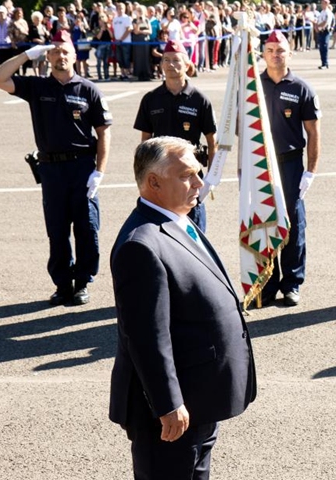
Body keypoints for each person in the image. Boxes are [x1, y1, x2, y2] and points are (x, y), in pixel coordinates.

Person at [109, 136, 257, 480]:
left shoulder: (179, 219)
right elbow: (147, 337)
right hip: (172, 414)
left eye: (199, 172)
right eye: (187, 175)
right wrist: (168, 404)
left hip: (199, 398)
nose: (200, 184)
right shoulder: (141, 245)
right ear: (154, 182)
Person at [0, 30, 111, 305]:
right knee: (57, 229)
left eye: (65, 51)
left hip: (83, 167)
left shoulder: (88, 89)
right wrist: (27, 54)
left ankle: (83, 282)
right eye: (55, 51)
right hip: (51, 171)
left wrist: (100, 171)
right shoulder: (37, 87)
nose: (60, 56)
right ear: (47, 56)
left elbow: (104, 132)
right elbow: (0, 78)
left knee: (87, 228)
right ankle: (62, 284)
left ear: (74, 56)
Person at [257, 30, 321, 307]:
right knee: (263, 223)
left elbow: (313, 133)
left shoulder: (301, 88)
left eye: (280, 50)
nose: (275, 54)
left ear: (289, 53)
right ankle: (267, 284)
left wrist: (310, 171)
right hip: (261, 164)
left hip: (291, 163)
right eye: (270, 49)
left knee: (294, 226)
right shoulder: (252, 87)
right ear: (263, 54)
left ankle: (292, 284)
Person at [134, 40, 216, 233]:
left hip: (189, 177)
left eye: (177, 61)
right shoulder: (151, 99)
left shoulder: (199, 99)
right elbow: (145, 142)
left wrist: (211, 178)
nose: (171, 65)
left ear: (187, 65)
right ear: (161, 64)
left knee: (194, 232)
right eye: (166, 60)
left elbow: (213, 141)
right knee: (162, 230)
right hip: (162, 177)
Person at [315, 0, 332, 68]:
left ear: (327, 3)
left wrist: (317, 26)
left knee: (324, 47)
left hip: (325, 31)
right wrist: (316, 26)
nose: (322, 4)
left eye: (323, 3)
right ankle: (323, 63)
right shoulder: (322, 12)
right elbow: (319, 20)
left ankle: (325, 63)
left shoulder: (328, 12)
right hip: (321, 31)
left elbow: (325, 22)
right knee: (321, 48)